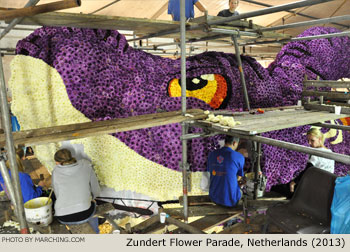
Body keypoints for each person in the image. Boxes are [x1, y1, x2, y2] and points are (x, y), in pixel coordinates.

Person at [272, 128, 335, 199]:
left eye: (312, 140)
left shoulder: (316, 153)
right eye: (308, 140)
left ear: (319, 139)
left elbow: (308, 170)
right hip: (327, 185)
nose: (309, 143)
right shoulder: (330, 152)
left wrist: (294, 182)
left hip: (314, 187)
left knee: (277, 188)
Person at [52, 149, 101, 233]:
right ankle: (95, 232)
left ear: (57, 162)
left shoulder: (55, 171)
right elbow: (96, 190)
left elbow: (57, 194)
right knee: (92, 204)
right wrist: (92, 198)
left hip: (63, 216)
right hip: (85, 213)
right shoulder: (86, 164)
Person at [206, 135, 244, 207]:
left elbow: (211, 172)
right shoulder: (239, 156)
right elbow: (239, 177)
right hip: (231, 200)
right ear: (234, 143)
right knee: (241, 191)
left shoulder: (212, 154)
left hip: (214, 197)